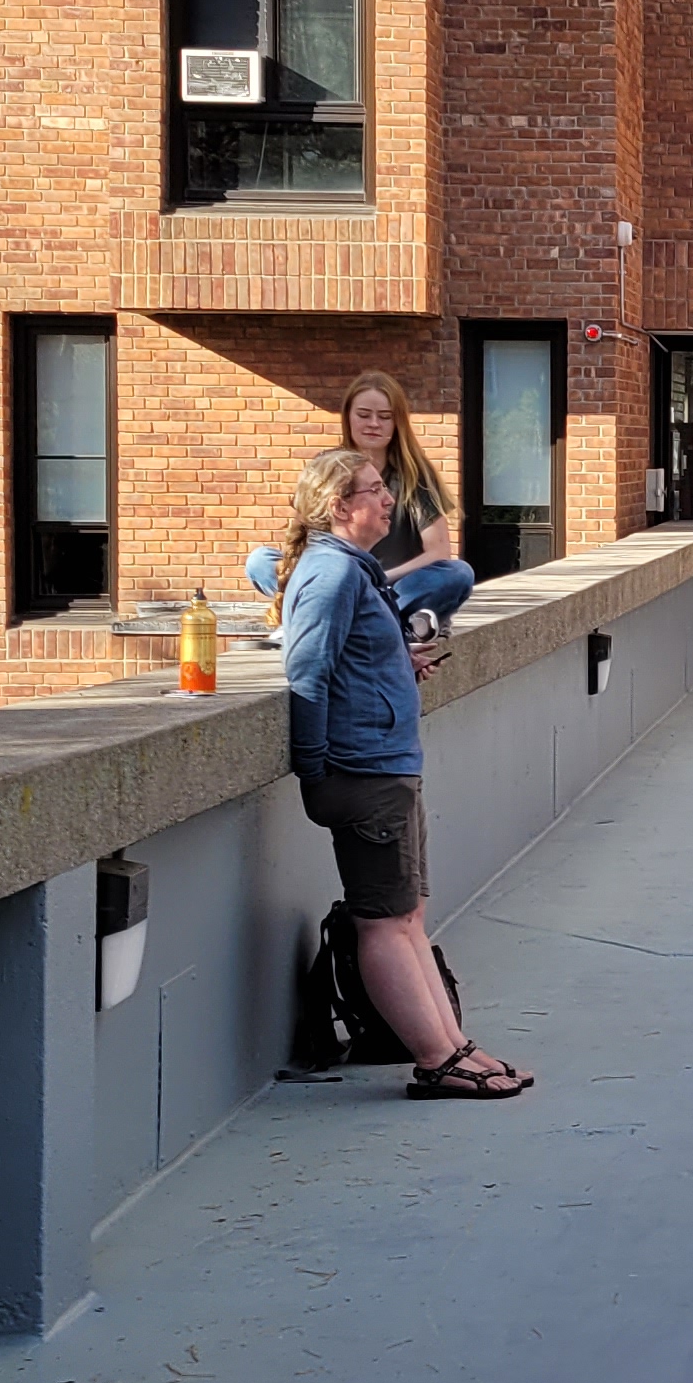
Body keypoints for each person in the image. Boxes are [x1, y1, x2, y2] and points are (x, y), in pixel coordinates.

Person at [277, 445, 533, 1102]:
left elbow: (352, 659)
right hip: (361, 772)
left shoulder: (354, 571)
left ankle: (456, 1047)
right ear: (339, 506)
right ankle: (435, 1061)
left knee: (409, 915)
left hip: (388, 765)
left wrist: (398, 663)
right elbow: (307, 675)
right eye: (373, 490)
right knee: (384, 923)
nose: (388, 499)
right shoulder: (332, 574)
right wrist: (315, 768)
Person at [252, 374, 475, 636]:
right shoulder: (326, 467)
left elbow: (438, 552)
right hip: (332, 581)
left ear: (397, 422)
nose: (373, 424)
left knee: (458, 573)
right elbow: (301, 536)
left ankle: (360, 614)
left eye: (385, 416)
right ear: (347, 416)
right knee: (259, 561)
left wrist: (376, 578)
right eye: (364, 415)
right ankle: (364, 616)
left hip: (391, 584)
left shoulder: (415, 475)